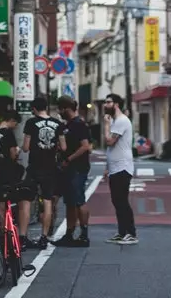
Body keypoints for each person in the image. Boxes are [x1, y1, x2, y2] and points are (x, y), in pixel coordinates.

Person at [22, 94, 65, 249]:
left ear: (34, 109)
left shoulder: (31, 122)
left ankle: (22, 237)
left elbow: (25, 148)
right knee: (47, 201)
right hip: (50, 168)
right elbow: (64, 147)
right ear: (46, 108)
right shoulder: (57, 123)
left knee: (26, 200)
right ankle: (44, 237)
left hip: (34, 167)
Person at [54, 96, 92, 247]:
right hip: (68, 169)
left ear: (66, 108)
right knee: (70, 202)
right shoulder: (68, 125)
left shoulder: (79, 124)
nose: (59, 112)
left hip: (78, 168)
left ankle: (84, 235)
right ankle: (69, 234)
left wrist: (69, 159)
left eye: (60, 109)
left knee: (78, 200)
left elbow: (85, 146)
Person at [102, 94, 137, 244]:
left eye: (108, 102)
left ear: (116, 104)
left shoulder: (121, 121)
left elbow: (109, 141)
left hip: (123, 167)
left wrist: (106, 126)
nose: (105, 104)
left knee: (122, 201)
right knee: (117, 201)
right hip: (116, 167)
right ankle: (122, 232)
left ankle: (131, 233)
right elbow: (111, 149)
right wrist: (107, 167)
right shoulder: (117, 121)